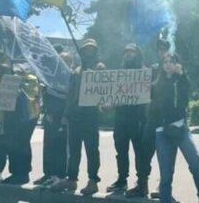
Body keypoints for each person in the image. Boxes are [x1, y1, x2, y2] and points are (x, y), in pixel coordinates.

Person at [149, 47, 199, 203]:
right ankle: (165, 199)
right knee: (166, 172)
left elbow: (185, 94)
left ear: (177, 63)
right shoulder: (156, 83)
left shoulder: (181, 80)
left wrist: (180, 75)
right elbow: (151, 105)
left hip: (181, 129)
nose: (168, 64)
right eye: (165, 62)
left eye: (172, 61)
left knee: (195, 163)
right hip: (162, 132)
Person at [51, 38, 104, 196]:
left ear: (95, 51)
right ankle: (71, 179)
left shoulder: (99, 68)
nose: (88, 52)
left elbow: (104, 89)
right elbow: (71, 94)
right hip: (75, 116)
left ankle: (93, 181)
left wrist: (93, 75)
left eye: (91, 49)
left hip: (91, 116)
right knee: (74, 150)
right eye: (86, 49)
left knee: (92, 150)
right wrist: (66, 114)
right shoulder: (76, 71)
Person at [127, 39, 169, 199]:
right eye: (159, 49)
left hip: (166, 117)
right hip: (152, 117)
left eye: (165, 49)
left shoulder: (174, 67)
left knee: (165, 154)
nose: (162, 52)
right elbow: (144, 90)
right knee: (144, 153)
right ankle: (142, 184)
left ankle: (163, 186)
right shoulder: (152, 68)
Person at [107, 44, 148, 194]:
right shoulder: (120, 73)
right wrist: (108, 104)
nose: (128, 55)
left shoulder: (144, 72)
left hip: (138, 119)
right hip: (121, 119)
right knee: (121, 151)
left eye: (131, 52)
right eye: (126, 52)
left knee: (140, 152)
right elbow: (113, 95)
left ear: (138, 54)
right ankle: (122, 179)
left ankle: (142, 182)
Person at [35, 51, 74, 188]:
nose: (63, 63)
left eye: (66, 60)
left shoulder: (71, 76)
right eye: (61, 60)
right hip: (50, 115)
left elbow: (70, 98)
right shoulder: (51, 76)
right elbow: (46, 96)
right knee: (48, 145)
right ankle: (48, 174)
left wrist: (65, 115)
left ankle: (59, 175)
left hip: (62, 117)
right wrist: (46, 111)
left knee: (60, 147)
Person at [1, 69, 40, 185]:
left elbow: (30, 96)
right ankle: (15, 172)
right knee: (12, 144)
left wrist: (18, 85)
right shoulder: (9, 78)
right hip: (12, 116)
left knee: (22, 144)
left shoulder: (31, 79)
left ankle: (23, 173)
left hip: (26, 118)